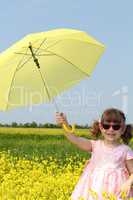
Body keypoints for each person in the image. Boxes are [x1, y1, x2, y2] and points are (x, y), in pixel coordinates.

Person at [56, 108, 133, 200]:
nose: (111, 130)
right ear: (101, 127)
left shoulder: (125, 150)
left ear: (123, 129)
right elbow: (75, 139)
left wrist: (128, 183)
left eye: (116, 127)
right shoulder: (95, 145)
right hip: (93, 189)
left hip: (117, 191)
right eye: (106, 126)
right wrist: (64, 124)